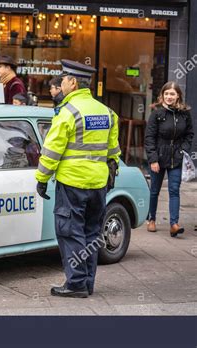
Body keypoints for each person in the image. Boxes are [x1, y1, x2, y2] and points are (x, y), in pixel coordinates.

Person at [35, 59, 121, 298]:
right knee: (92, 234)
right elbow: (113, 150)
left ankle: (75, 284)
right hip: (98, 184)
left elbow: (51, 150)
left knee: (70, 232)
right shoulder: (106, 112)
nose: (61, 84)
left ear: (73, 83)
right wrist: (112, 170)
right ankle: (87, 283)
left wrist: (42, 178)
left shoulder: (68, 112)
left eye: (63, 80)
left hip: (72, 184)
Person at [144, 82, 194, 237]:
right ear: (162, 95)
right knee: (154, 190)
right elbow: (149, 138)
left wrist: (183, 149)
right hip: (158, 156)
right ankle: (151, 219)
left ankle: (174, 224)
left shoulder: (184, 114)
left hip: (176, 157)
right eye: (166, 94)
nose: (169, 97)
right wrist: (153, 159)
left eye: (172, 94)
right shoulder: (157, 114)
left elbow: (189, 134)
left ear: (178, 95)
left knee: (174, 190)